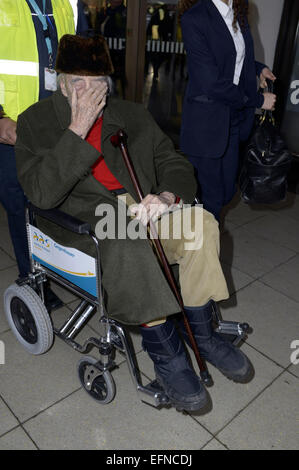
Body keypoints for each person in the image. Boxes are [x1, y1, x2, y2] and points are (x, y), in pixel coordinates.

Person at [15, 34, 253, 412]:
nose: (90, 91)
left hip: (142, 208)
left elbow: (174, 164)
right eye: (78, 81)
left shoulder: (132, 114)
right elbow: (40, 194)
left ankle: (203, 333)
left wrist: (166, 197)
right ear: (61, 84)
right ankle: (166, 353)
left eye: (97, 82)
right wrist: (77, 129)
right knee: (126, 237)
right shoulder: (34, 123)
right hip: (82, 219)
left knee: (201, 224)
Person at [0, 0, 88, 310]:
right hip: (12, 126)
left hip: (56, 123)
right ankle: (32, 279)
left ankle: (53, 270)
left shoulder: (67, 4)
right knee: (20, 205)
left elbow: (80, 59)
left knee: (52, 200)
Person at [179, 0, 277, 221]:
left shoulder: (239, 12)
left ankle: (197, 240)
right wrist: (257, 100)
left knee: (226, 192)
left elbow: (235, 57)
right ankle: (198, 252)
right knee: (209, 199)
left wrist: (258, 69)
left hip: (233, 117)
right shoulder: (195, 18)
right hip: (206, 123)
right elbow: (210, 82)